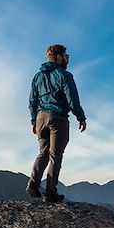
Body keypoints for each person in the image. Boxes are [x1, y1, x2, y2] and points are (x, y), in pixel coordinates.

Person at [26, 44, 87, 202]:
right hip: (57, 118)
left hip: (40, 118)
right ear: (59, 57)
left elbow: (32, 101)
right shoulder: (65, 75)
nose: (67, 59)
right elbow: (72, 99)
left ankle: (33, 184)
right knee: (55, 156)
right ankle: (50, 193)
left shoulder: (37, 77)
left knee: (43, 153)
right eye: (66, 56)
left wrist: (34, 120)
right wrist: (81, 117)